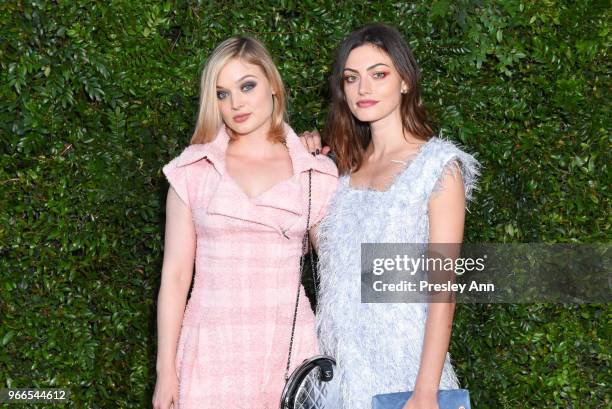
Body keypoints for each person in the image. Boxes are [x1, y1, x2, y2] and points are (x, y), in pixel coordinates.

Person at [152, 36, 338, 409]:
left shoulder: (315, 173)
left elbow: (338, 272)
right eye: (222, 94)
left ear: (272, 84)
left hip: (288, 356)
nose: (235, 103)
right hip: (209, 357)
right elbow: (174, 277)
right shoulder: (193, 170)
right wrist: (165, 371)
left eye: (247, 86)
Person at [301, 23, 480, 409]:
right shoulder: (341, 172)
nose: (364, 89)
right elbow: (330, 262)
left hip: (405, 369)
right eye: (352, 78)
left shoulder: (438, 167)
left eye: (378, 74)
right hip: (341, 371)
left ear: (404, 81)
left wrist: (426, 391)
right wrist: (305, 168)